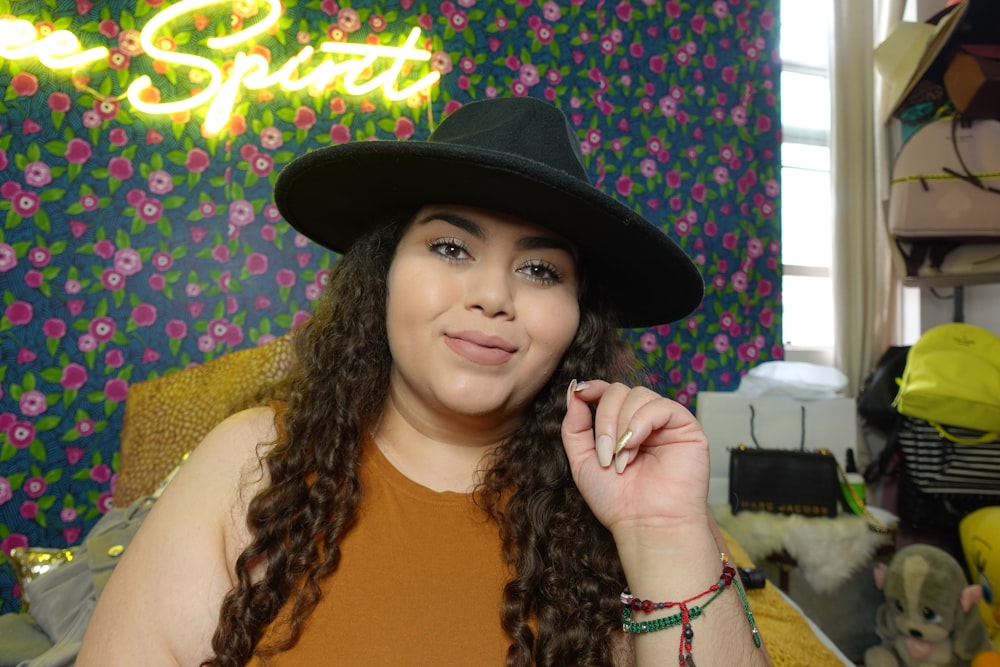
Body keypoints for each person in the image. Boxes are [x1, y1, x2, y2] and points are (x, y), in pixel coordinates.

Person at [78, 97, 771, 666]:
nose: (493, 295)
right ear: (383, 274)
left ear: (577, 319)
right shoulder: (252, 460)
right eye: (449, 247)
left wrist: (664, 534)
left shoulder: (622, 502)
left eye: (540, 270)